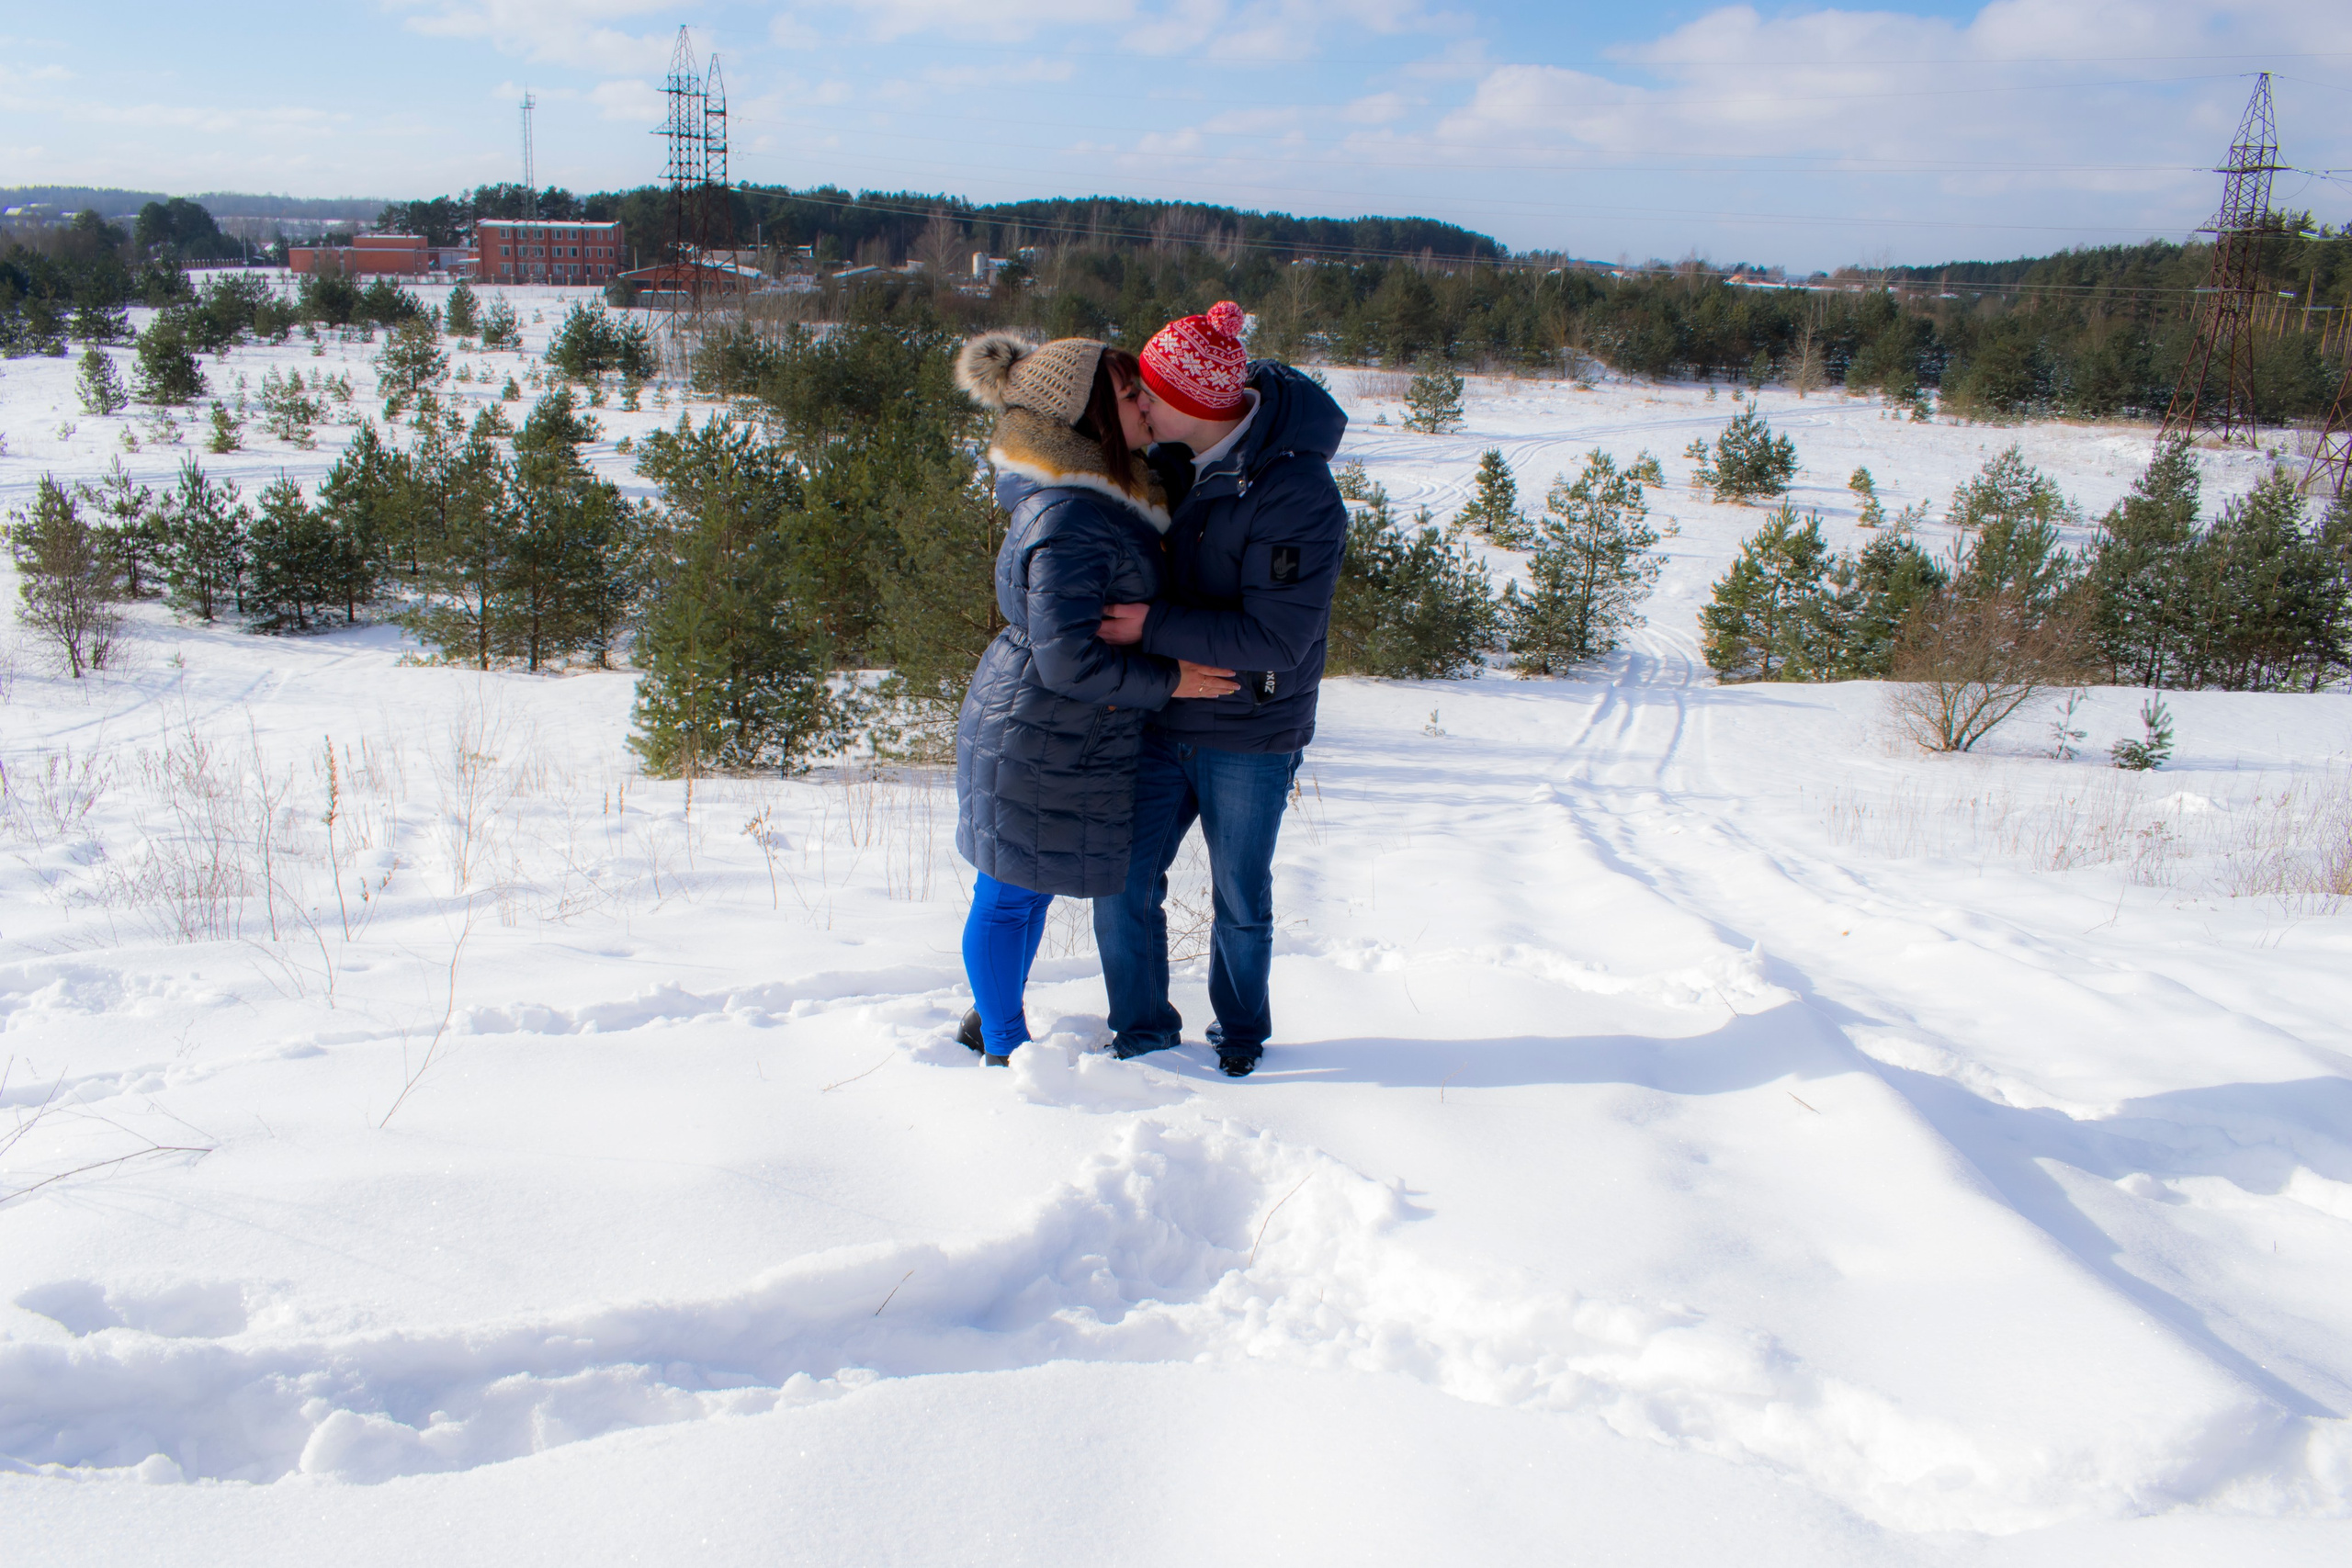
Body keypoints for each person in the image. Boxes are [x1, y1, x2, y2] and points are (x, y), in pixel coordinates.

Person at [950, 332, 1238, 1066]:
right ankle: (1005, 1047)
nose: (1146, 401)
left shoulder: (1109, 492)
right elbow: (1068, 660)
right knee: (1011, 893)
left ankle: (992, 1017)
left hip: (1061, 732)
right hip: (1036, 728)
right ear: (1087, 418)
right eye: (1129, 393)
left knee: (1028, 887)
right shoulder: (1074, 517)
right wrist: (1172, 677)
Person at [1092, 302, 1351, 1077]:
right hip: (1163, 710)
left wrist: (1150, 625)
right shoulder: (1172, 458)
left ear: (1199, 405)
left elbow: (1276, 637)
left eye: (1150, 394)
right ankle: (1141, 1034)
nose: (1139, 405)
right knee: (1124, 876)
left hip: (1250, 729)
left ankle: (1239, 1036)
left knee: (1239, 895)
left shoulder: (1296, 491)